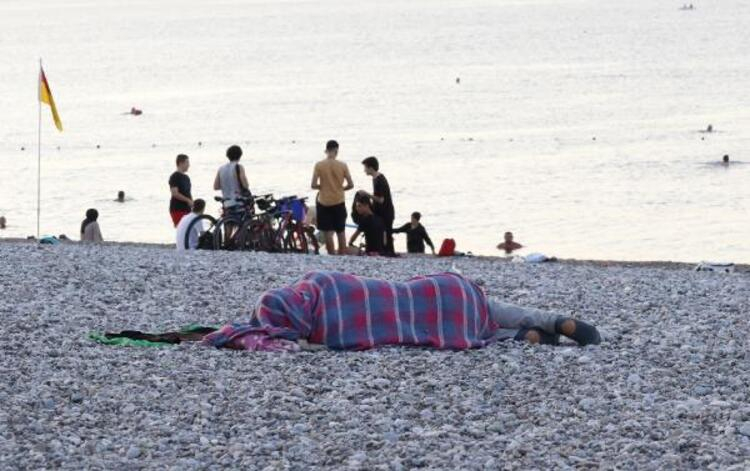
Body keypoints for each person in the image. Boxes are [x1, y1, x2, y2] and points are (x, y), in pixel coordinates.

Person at [202, 270, 602, 352]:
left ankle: (521, 339)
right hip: (437, 289)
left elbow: (300, 343)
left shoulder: (327, 332)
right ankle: (553, 322)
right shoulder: (321, 282)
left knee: (451, 331)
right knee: (492, 306)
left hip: (436, 320)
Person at [310, 140, 354, 255]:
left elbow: (313, 185)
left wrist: (323, 186)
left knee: (328, 231)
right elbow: (351, 185)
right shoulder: (342, 165)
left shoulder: (319, 165)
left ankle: (332, 256)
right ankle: (342, 255)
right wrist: (340, 188)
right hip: (339, 201)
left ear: (326, 150)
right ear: (336, 150)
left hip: (324, 202)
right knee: (341, 230)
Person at [361, 156, 395, 254]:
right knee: (383, 233)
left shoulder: (379, 180)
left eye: (365, 168)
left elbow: (380, 199)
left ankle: (389, 253)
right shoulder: (376, 178)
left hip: (386, 211)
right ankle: (384, 251)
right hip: (382, 211)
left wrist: (366, 194)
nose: (364, 170)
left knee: (387, 233)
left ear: (371, 168)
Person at [213, 145, 251, 211]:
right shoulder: (239, 167)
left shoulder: (221, 168)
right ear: (240, 155)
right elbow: (245, 185)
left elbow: (216, 187)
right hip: (239, 202)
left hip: (226, 202)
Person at [168, 154, 192, 227]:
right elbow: (175, 193)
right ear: (181, 163)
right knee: (182, 229)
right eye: (187, 162)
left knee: (189, 230)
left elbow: (188, 192)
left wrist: (191, 202)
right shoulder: (175, 176)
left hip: (187, 209)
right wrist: (187, 200)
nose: (189, 165)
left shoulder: (186, 177)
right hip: (177, 208)